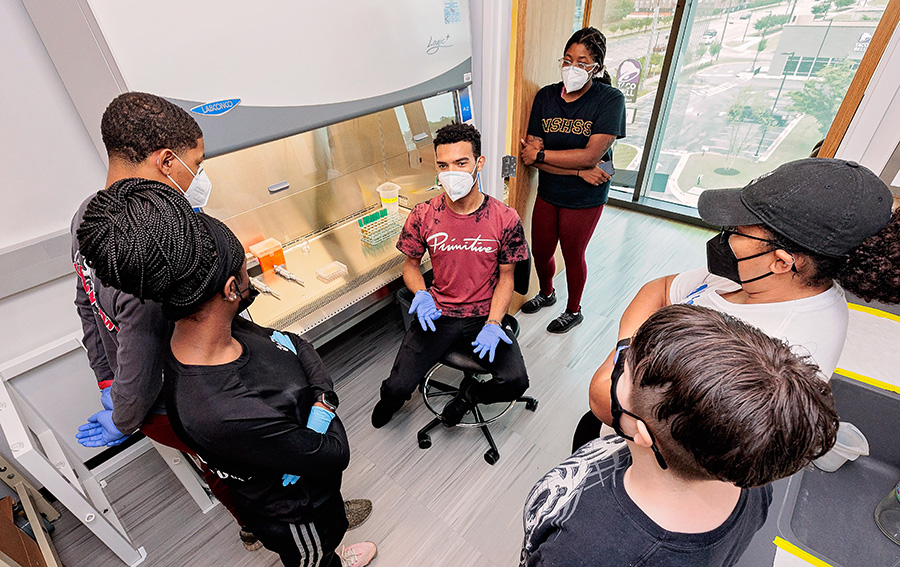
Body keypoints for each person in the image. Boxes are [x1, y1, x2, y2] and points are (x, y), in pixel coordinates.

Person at [71, 92, 371, 550]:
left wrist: (107, 382)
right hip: (168, 395)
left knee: (234, 464)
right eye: (198, 161)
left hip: (171, 387)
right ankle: (296, 526)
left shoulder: (91, 219)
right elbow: (138, 343)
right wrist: (125, 411)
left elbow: (85, 302)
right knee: (250, 469)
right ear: (167, 162)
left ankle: (278, 520)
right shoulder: (154, 251)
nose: (201, 173)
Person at [573, 158, 900, 450]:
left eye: (737, 230)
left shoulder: (775, 358)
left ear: (782, 261)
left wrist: (615, 379)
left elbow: (607, 402)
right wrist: (626, 353)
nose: (726, 237)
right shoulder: (756, 278)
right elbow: (657, 289)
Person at [521, 304, 839, 566]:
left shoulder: (587, 552)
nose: (619, 364)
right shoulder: (745, 476)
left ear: (641, 430)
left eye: (624, 369)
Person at [371, 123, 530, 429]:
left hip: (484, 316)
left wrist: (494, 322)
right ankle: (390, 402)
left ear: (479, 163)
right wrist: (420, 294)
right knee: (397, 388)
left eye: (461, 163)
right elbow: (411, 265)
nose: (451, 172)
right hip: (439, 314)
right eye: (443, 165)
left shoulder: (504, 218)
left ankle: (470, 396)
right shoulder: (423, 215)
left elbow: (507, 278)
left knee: (515, 381)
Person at [519, 27, 627, 334]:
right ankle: (547, 293)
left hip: (585, 198)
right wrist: (577, 169)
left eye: (582, 62)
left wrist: (544, 158)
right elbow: (530, 153)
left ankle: (573, 309)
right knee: (540, 250)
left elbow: (591, 157)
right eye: (568, 60)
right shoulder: (545, 96)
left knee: (572, 253)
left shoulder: (610, 100)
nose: (573, 68)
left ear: (597, 68)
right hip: (550, 190)